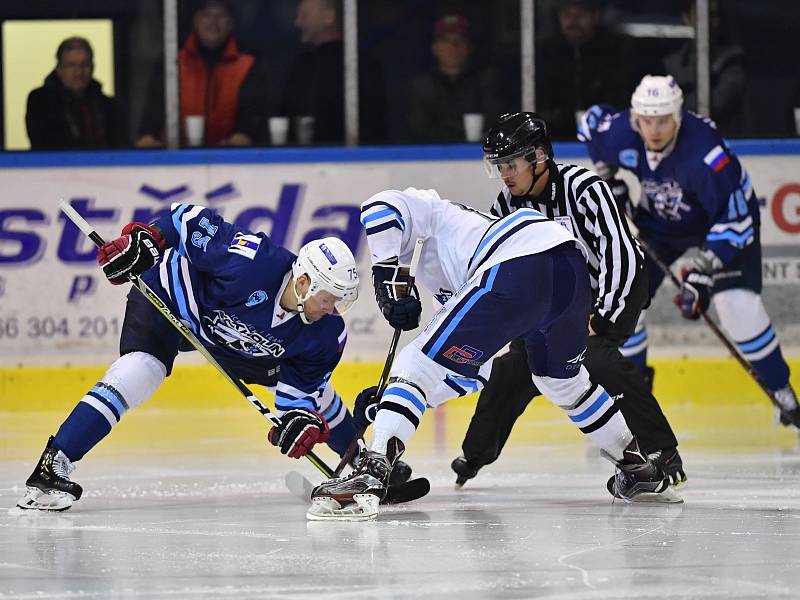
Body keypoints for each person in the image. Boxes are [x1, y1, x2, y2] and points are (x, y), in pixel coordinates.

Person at [306, 186, 675, 521]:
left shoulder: (432, 211)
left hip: (518, 262)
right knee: (562, 381)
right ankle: (638, 466)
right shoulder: (453, 288)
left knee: (414, 360)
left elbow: (378, 206)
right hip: (567, 270)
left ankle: (371, 471)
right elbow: (471, 371)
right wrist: (399, 401)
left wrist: (384, 274)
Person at [16, 203, 368, 511]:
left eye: (339, 300)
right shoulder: (251, 261)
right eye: (329, 297)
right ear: (304, 282)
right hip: (169, 301)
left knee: (317, 394)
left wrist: (299, 424)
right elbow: (184, 219)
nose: (333, 308)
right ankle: (54, 463)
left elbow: (295, 399)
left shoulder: (325, 334)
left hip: (228, 343)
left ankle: (360, 460)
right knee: (141, 369)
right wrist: (146, 240)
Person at [449, 112, 684, 489]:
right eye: (499, 167)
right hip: (557, 304)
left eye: (511, 164)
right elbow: (497, 268)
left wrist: (603, 317)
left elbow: (618, 251)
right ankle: (476, 454)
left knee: (593, 357)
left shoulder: (584, 187)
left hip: (615, 288)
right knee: (514, 370)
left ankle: (662, 451)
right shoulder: (507, 206)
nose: (505, 175)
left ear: (539, 157)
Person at [577, 74, 800, 427]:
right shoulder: (622, 129)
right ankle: (632, 397)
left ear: (677, 117)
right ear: (637, 118)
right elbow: (589, 125)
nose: (653, 129)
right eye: (646, 120)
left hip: (720, 226)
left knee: (737, 307)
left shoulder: (706, 155)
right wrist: (609, 180)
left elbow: (736, 221)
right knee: (622, 298)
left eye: (663, 120)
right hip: (660, 226)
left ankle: (781, 389)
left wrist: (702, 270)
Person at [136, 0, 265, 147]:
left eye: (220, 15)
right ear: (196, 21)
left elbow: (253, 118)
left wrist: (244, 136)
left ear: (231, 23)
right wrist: (148, 138)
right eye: (206, 15)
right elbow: (152, 116)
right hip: (178, 161)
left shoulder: (248, 64)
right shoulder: (173, 61)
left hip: (231, 161)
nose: (213, 22)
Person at [279, 0, 387, 144]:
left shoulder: (361, 64)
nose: (297, 22)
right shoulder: (301, 66)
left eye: (304, 15)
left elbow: (375, 126)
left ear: (328, 17)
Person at [536, 0, 637, 138]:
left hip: (607, 138)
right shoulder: (543, 54)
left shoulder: (615, 52)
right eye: (567, 14)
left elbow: (621, 99)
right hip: (556, 140)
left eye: (580, 14)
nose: (573, 21)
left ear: (595, 16)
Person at [406, 14, 501, 143]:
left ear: (469, 47)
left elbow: (495, 123)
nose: (453, 46)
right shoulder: (421, 86)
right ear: (435, 48)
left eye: (460, 40)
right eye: (446, 40)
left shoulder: (485, 81)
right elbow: (418, 130)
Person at [662, 0, 747, 137]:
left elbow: (717, 104)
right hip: (679, 141)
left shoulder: (733, 60)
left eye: (712, 16)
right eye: (699, 15)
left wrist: (677, 100)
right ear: (687, 18)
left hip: (723, 140)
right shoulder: (672, 63)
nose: (707, 23)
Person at [26, 37, 125, 150]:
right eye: (72, 65)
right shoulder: (40, 102)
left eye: (85, 64)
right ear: (59, 69)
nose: (79, 72)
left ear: (92, 67)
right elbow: (44, 142)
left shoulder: (108, 106)